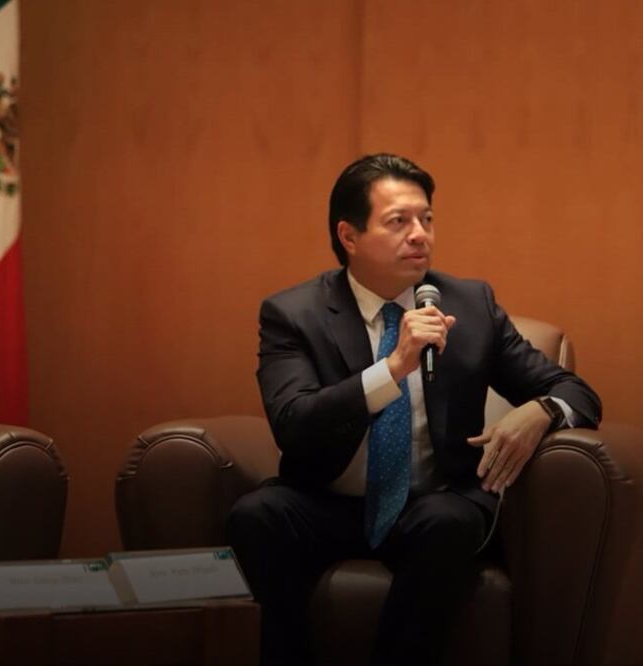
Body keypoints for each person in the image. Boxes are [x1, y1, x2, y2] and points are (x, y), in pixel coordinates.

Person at [227, 154, 602, 665]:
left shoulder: (469, 304)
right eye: (398, 221)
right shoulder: (294, 314)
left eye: (426, 219)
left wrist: (541, 412)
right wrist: (393, 368)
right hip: (331, 502)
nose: (420, 234)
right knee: (257, 515)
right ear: (349, 236)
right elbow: (294, 424)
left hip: (434, 501)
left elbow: (576, 392)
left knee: (446, 522)